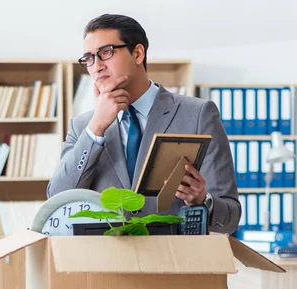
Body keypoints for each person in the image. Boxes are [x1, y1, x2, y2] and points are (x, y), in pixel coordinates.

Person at [47, 13, 240, 234]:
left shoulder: (198, 114)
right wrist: (96, 128)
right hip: (104, 264)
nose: (96, 66)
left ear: (138, 53)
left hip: (174, 262)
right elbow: (57, 202)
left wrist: (202, 200)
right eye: (89, 59)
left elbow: (231, 217)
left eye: (106, 53)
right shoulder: (83, 127)